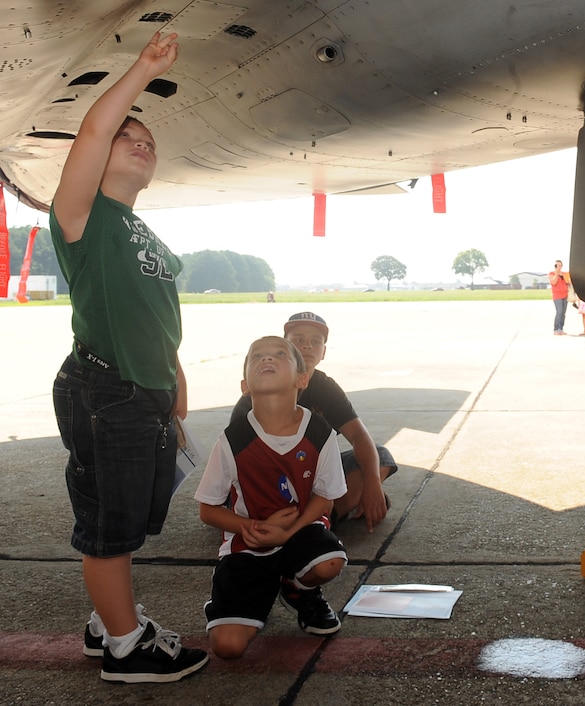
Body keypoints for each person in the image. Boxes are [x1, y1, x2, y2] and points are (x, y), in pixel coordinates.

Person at [48, 32, 209, 683]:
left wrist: (174, 386)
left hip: (142, 391)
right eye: (129, 136)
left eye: (150, 142)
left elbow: (158, 320)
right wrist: (142, 70)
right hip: (105, 387)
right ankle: (124, 648)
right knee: (108, 529)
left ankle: (104, 620)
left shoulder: (141, 228)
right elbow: (91, 134)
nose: (142, 143)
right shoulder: (84, 215)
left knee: (131, 518)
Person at [197, 336, 348, 659]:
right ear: (244, 385)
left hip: (299, 529)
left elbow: (325, 500)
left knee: (329, 562)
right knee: (228, 647)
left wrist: (287, 533)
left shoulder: (319, 432)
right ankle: (235, 598)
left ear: (302, 378)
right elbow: (208, 509)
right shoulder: (233, 440)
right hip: (250, 541)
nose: (267, 359)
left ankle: (298, 588)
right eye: (257, 357)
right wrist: (249, 525)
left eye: (280, 354)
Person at [231, 311, 397, 532]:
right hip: (266, 478)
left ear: (324, 352)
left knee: (380, 457)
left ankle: (322, 516)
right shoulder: (265, 385)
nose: (307, 346)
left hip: (310, 473)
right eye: (298, 340)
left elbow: (358, 436)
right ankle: (321, 519)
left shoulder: (325, 387)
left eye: (315, 341)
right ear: (285, 348)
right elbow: (239, 462)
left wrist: (373, 486)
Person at [549, 260, 571, 335]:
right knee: (559, 311)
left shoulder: (565, 274)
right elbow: (554, 282)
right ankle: (556, 329)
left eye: (560, 265)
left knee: (563, 313)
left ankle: (561, 328)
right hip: (557, 296)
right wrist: (557, 272)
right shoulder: (552, 274)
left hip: (565, 295)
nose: (558, 267)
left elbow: (569, 282)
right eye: (557, 265)